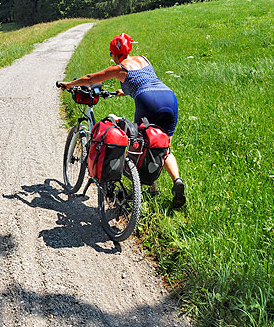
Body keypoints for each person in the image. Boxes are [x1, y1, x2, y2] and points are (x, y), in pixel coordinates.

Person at [59, 33, 186, 208]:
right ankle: (177, 181)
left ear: (114, 53)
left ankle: (145, 190)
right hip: (169, 98)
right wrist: (124, 91)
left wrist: (69, 84)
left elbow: (90, 79)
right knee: (163, 147)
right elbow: (146, 81)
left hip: (147, 100)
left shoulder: (119, 69)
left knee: (140, 145)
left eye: (111, 54)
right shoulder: (144, 59)